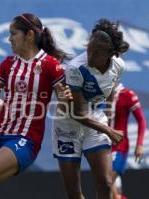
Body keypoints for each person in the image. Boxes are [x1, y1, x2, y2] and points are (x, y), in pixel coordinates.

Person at [0, 13, 71, 199]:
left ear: (30, 35)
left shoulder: (51, 65)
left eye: (13, 33)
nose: (9, 38)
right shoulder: (8, 64)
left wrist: (65, 98)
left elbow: (65, 102)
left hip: (26, 138)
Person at [52, 18, 129, 199]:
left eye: (97, 52)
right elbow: (77, 113)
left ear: (110, 53)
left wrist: (107, 117)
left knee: (106, 183)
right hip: (68, 124)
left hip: (95, 120)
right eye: (89, 49)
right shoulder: (76, 68)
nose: (91, 56)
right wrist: (108, 130)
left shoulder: (118, 65)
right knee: (73, 193)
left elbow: (110, 90)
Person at [111, 83, 146, 199]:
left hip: (119, 147)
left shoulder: (127, 94)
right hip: (101, 147)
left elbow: (141, 121)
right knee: (109, 189)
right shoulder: (98, 93)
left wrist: (140, 144)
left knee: (107, 183)